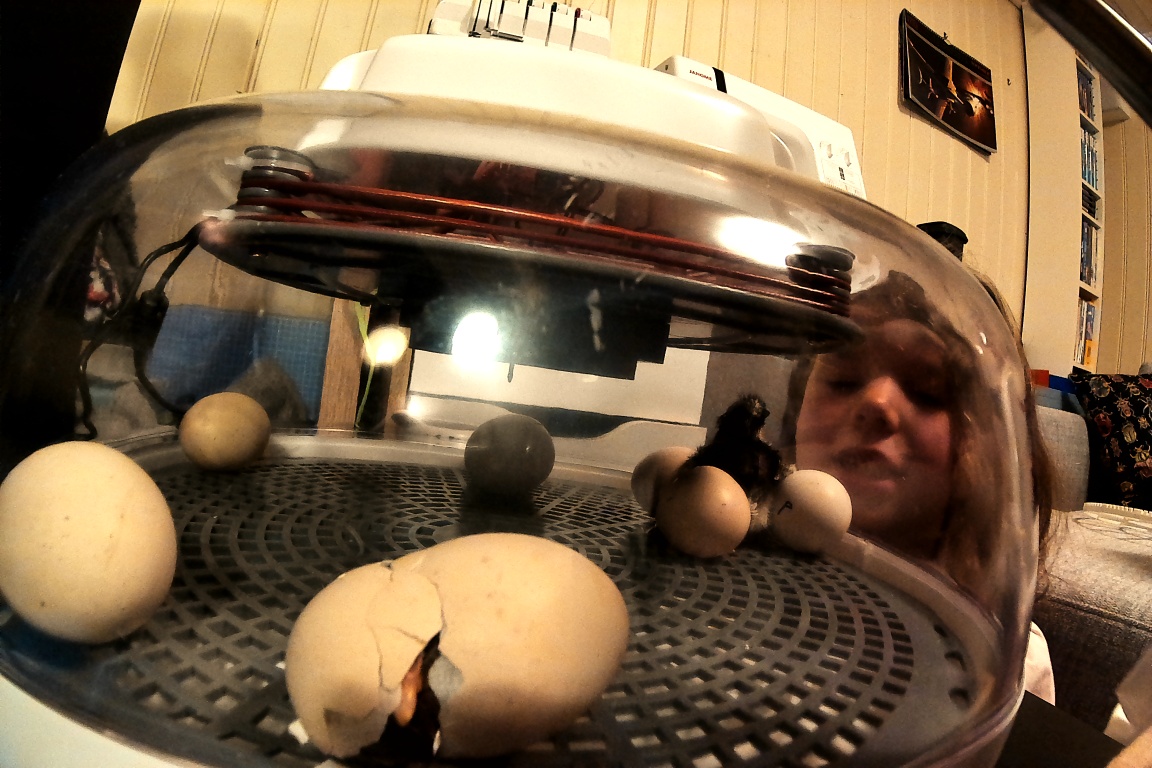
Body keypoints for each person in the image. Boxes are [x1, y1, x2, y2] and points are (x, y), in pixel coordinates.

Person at [781, 269, 1057, 703]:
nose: (875, 402)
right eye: (843, 380)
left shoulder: (1004, 657)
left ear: (993, 449)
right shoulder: (741, 560)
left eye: (929, 392)